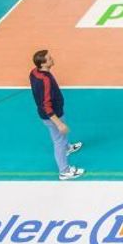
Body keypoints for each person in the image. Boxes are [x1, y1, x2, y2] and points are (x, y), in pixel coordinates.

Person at [29, 49, 83, 180]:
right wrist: (58, 123)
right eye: (49, 58)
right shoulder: (45, 80)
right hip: (53, 115)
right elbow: (46, 105)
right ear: (43, 64)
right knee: (58, 141)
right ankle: (64, 171)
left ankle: (67, 147)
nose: (52, 59)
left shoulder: (34, 72)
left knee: (61, 137)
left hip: (54, 112)